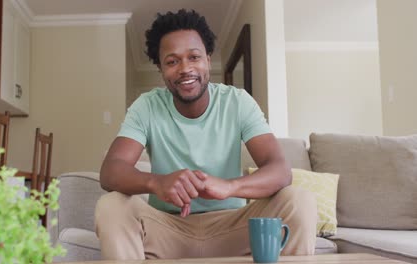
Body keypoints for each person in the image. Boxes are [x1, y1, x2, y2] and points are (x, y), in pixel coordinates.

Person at [95, 9, 317, 260]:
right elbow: (111, 170)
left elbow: (279, 170)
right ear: (160, 69)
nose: (185, 68)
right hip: (168, 229)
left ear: (208, 60)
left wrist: (228, 186)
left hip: (233, 228)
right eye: (172, 61)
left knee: (299, 200)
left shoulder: (237, 102)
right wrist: (157, 182)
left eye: (194, 57)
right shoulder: (146, 106)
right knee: (111, 205)